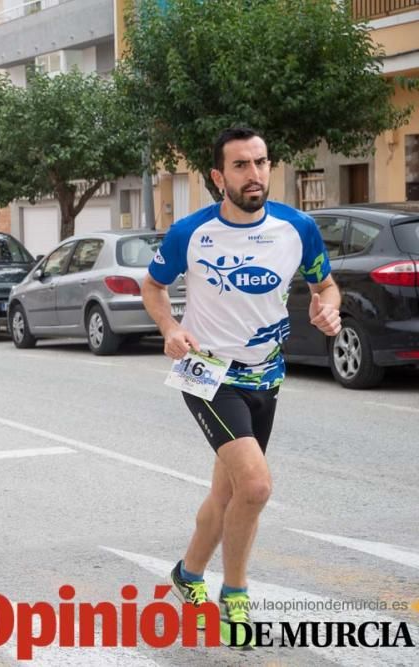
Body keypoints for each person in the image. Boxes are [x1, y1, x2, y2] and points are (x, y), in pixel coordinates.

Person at [141, 127, 341, 649]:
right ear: (217, 176)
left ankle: (187, 575)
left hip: (266, 373)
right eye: (241, 165)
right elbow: (153, 285)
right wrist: (170, 328)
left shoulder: (298, 229)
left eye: (261, 162)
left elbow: (325, 284)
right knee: (255, 486)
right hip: (205, 371)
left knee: (226, 492)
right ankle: (235, 593)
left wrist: (329, 307)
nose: (255, 174)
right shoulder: (190, 232)